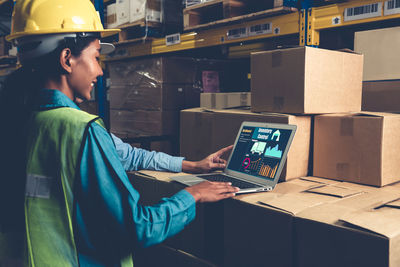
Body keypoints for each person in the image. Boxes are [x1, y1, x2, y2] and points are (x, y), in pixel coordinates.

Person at [0, 0, 239, 266]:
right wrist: (192, 195)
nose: (100, 71)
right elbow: (137, 228)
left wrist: (192, 165)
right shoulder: (82, 130)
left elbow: (124, 154)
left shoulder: (21, 119)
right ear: (67, 59)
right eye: (96, 57)